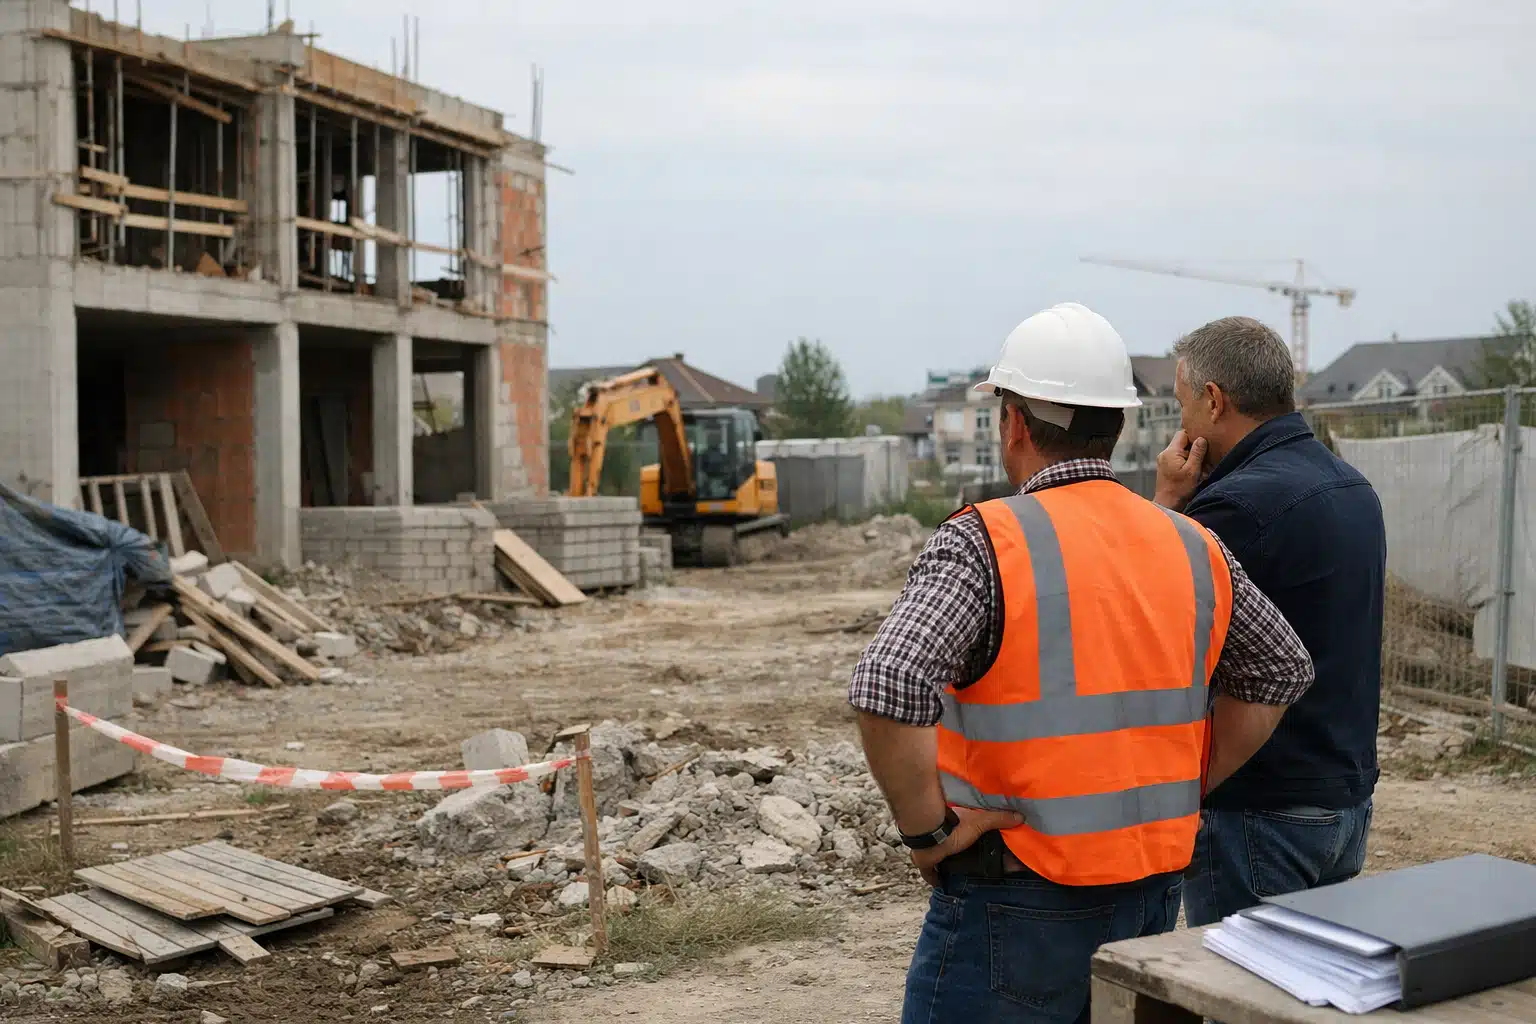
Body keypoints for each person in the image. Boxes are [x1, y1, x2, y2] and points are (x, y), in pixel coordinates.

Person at [849, 302, 1315, 1024]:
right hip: (1151, 894)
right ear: (1117, 425)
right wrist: (1184, 783)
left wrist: (928, 833)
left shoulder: (987, 542)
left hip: (1017, 896)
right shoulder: (1192, 544)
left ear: (1013, 423)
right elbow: (1282, 668)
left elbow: (888, 682)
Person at [1153, 316, 1386, 929]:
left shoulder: (1236, 507)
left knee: (1239, 978)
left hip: (1258, 811)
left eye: (1182, 405)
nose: (1181, 425)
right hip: (1342, 799)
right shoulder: (1353, 487)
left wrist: (1167, 505)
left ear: (1213, 400)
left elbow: (1149, 614)